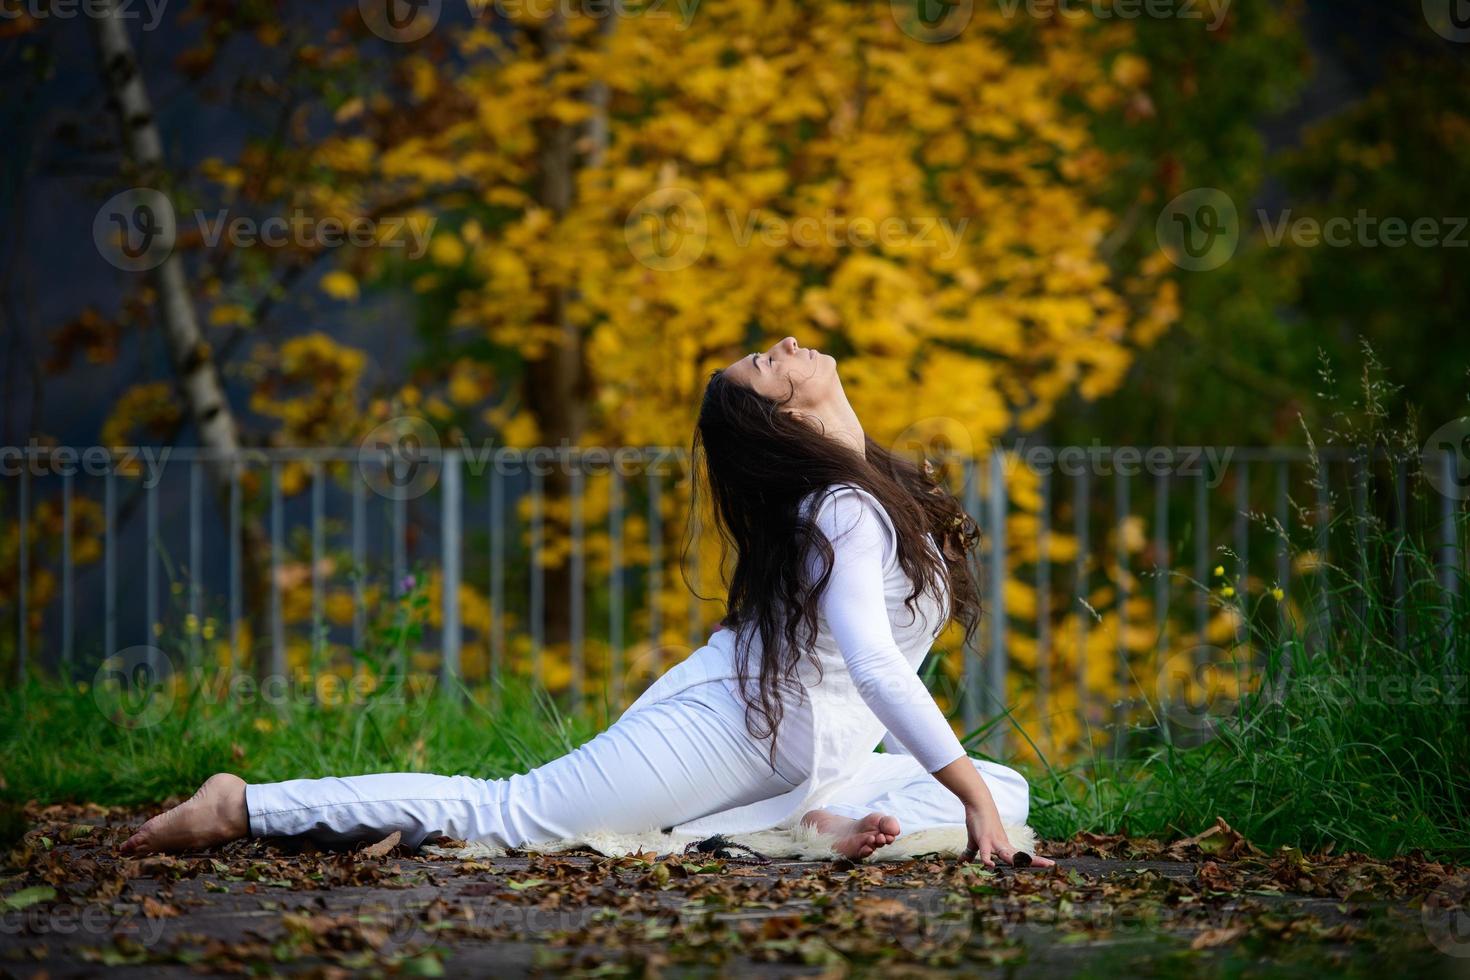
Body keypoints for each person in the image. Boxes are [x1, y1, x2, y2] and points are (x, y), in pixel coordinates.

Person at [120, 336, 1053, 867]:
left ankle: (788, 825)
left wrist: (968, 789)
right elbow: (877, 662)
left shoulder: (880, 480)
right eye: (762, 368)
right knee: (516, 815)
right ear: (780, 419)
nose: (777, 348)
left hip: (816, 757)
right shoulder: (844, 508)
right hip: (727, 726)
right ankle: (245, 805)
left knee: (1005, 790)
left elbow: (875, 683)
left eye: (761, 355)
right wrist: (959, 790)